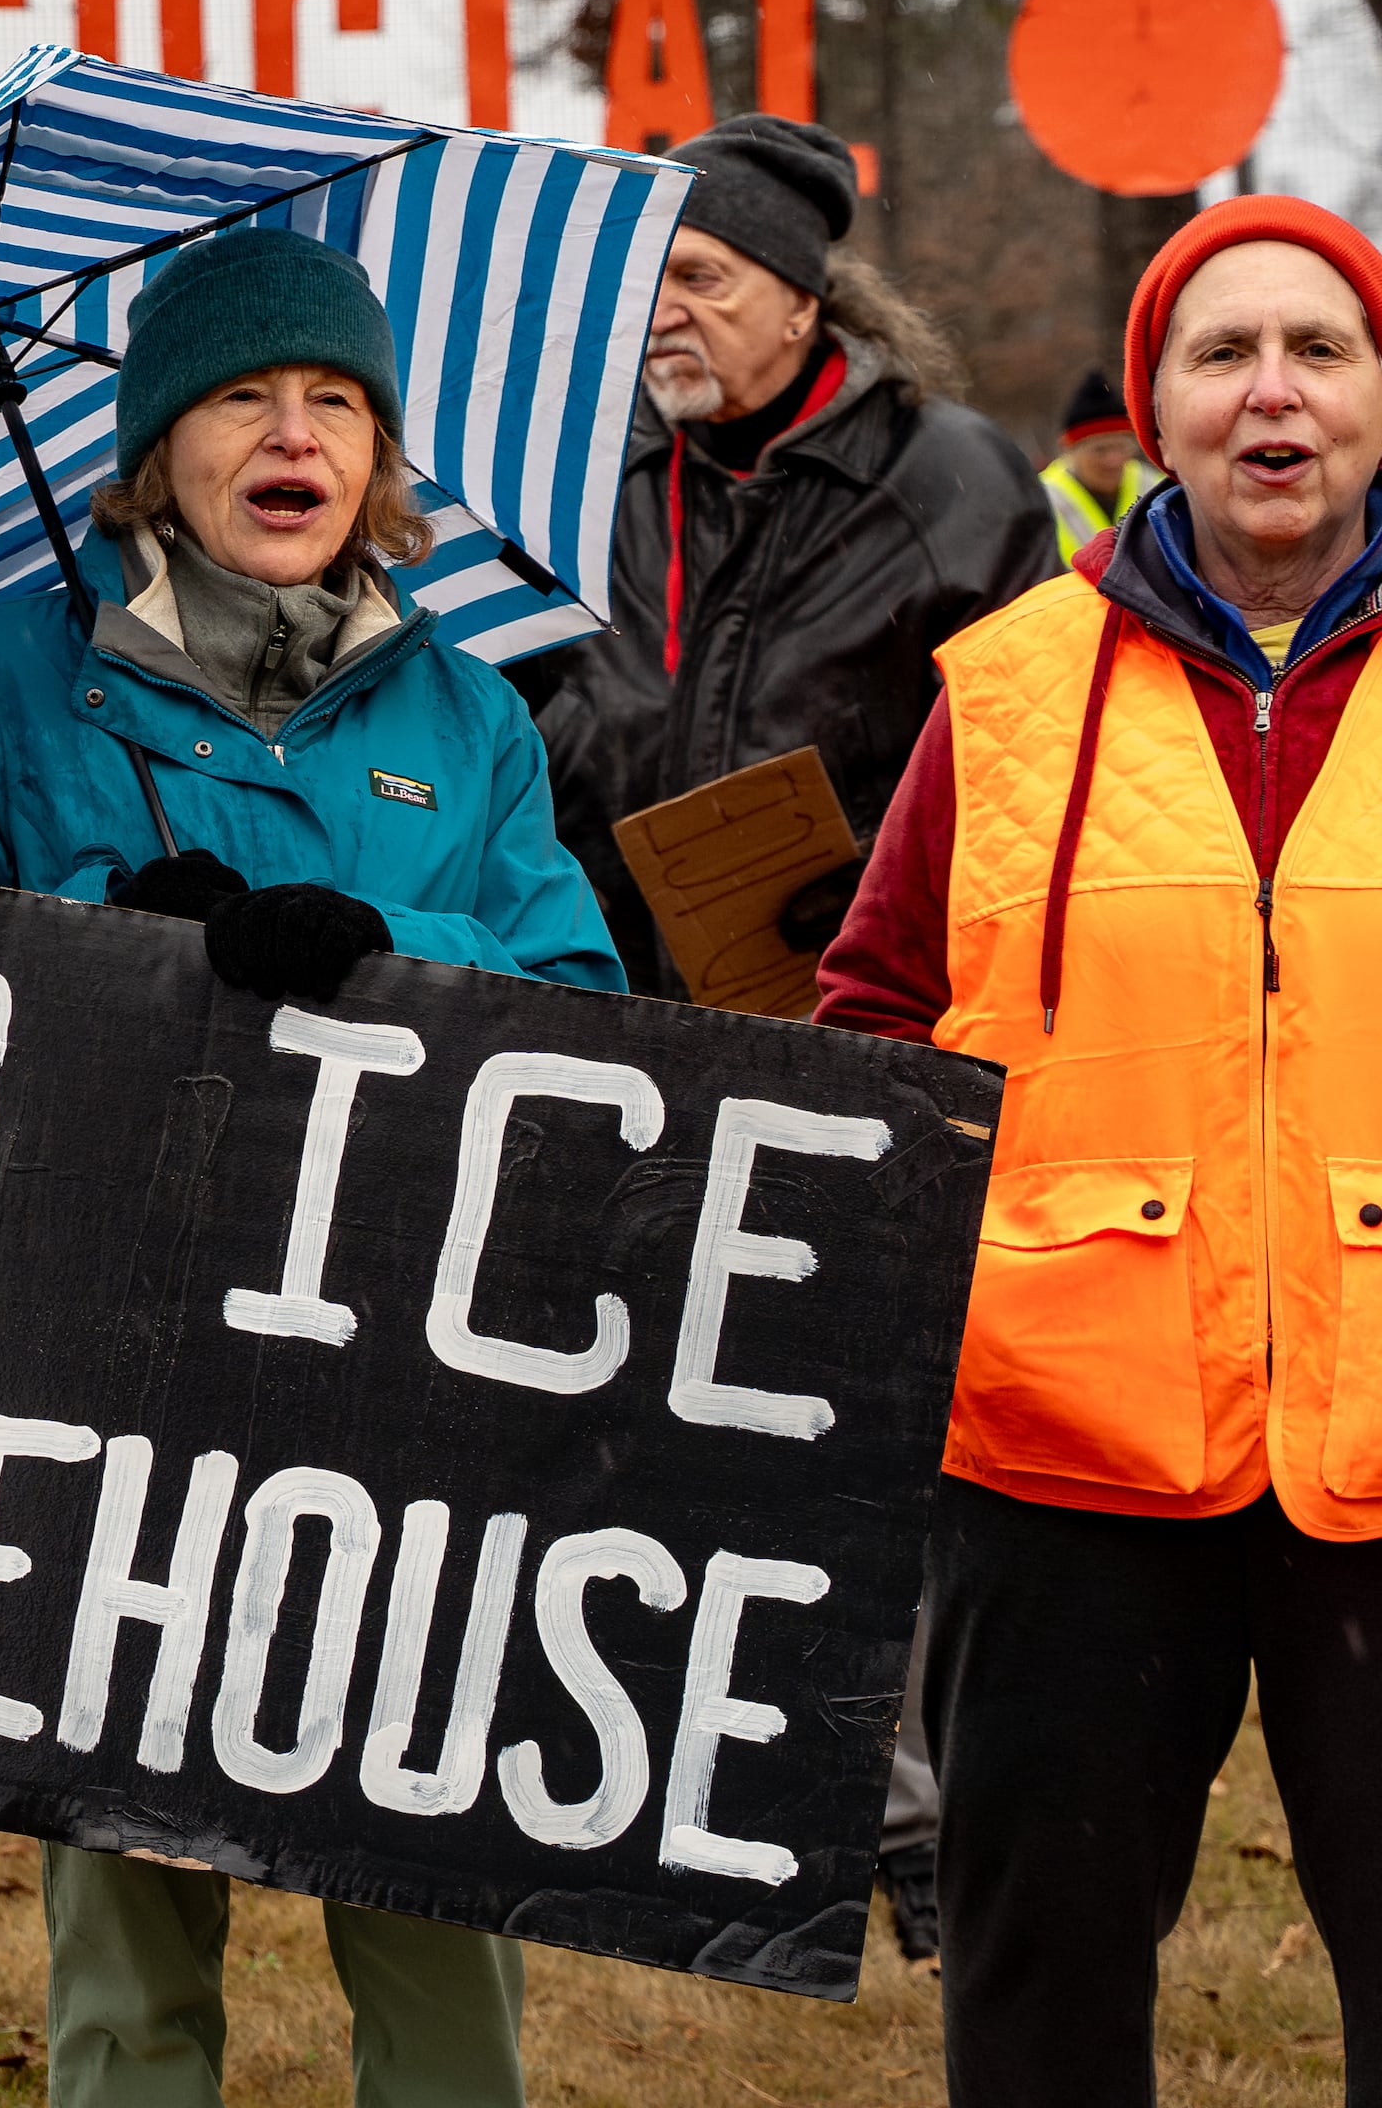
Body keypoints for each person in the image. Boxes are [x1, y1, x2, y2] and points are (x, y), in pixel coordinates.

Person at [0, 227, 621, 2108]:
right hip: (104, 1357)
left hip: (397, 1369)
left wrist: (379, 946)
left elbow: (586, 1001)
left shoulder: (467, 710)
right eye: (246, 397)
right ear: (156, 449)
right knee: (120, 1883)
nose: (295, 437)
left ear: (379, 459)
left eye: (336, 403)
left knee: (430, 1867)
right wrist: (116, 933)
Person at [817, 195, 1382, 2104]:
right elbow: (877, 1022)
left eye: (1321, 348)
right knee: (1042, 1993)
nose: (1274, 393)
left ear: (1380, 398)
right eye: (1224, 356)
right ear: (1153, 409)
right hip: (1063, 1459)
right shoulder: (1012, 687)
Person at [527, 115, 1053, 994]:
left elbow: (1026, 759)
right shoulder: (581, 465)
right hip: (595, 979)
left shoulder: (952, 479)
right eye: (649, 278)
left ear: (801, 306)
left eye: (701, 277)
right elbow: (498, 714)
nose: (664, 311)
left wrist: (889, 877)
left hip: (845, 993)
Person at [1041, 369, 1161, 557]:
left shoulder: (1155, 488)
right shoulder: (1044, 500)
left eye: (1122, 447)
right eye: (1100, 450)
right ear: (1068, 449)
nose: (1113, 460)